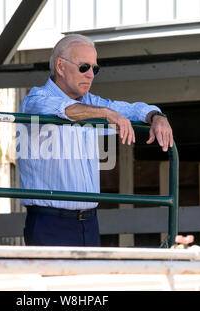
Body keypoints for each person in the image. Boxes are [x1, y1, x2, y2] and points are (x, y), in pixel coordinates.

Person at [17, 34, 173, 247]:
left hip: (89, 222)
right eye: (84, 67)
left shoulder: (93, 103)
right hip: (49, 222)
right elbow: (63, 110)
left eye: (94, 69)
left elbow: (133, 109)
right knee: (53, 281)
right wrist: (105, 114)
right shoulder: (36, 99)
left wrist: (157, 116)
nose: (91, 75)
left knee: (90, 281)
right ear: (60, 67)